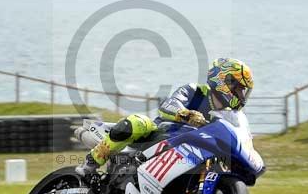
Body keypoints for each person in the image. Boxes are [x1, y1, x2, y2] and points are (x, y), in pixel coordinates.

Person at [76, 58, 254, 176]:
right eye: (238, 88)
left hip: (193, 149)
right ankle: (89, 165)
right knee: (138, 122)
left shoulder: (231, 115)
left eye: (243, 91)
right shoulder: (196, 91)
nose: (240, 94)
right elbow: (166, 106)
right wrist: (186, 114)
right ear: (223, 81)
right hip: (160, 134)